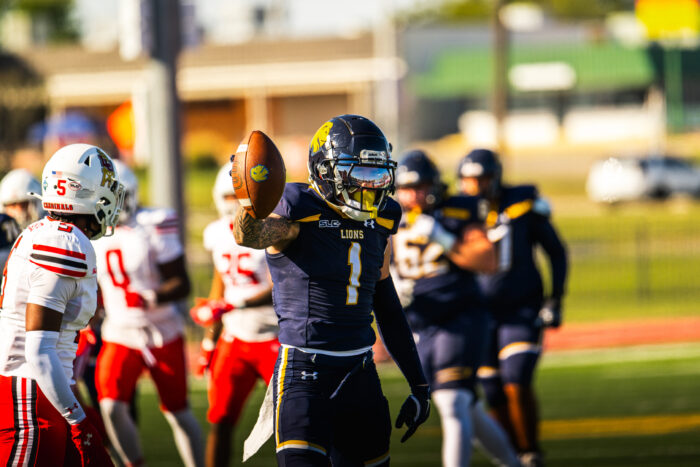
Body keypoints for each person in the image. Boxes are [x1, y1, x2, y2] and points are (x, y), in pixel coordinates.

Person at [234, 115, 430, 466]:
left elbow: (386, 305)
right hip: (304, 372)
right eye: (359, 176)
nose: (369, 189)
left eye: (378, 175)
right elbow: (250, 235)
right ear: (325, 173)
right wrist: (252, 205)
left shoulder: (381, 220)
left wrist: (419, 385)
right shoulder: (298, 212)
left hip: (360, 373)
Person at [392, 150, 520, 467]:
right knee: (467, 408)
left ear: (435, 185)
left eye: (420, 186)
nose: (414, 195)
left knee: (452, 401)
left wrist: (443, 238)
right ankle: (512, 463)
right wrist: (392, 286)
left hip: (459, 318)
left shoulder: (456, 210)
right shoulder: (388, 216)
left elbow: (486, 260)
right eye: (406, 188)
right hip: (419, 324)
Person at [0, 143, 123, 466]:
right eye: (107, 185)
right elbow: (39, 351)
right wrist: (79, 421)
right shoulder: (64, 242)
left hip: (45, 391)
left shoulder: (44, 232)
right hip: (30, 397)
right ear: (84, 190)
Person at [458, 149, 568, 467]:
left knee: (516, 379)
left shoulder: (522, 204)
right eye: (469, 180)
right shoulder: (457, 213)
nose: (475, 187)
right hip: (480, 312)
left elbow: (556, 251)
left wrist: (555, 297)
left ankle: (531, 452)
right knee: (492, 390)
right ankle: (511, 457)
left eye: (481, 179)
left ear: (495, 178)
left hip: (521, 307)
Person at [92, 160, 204, 467]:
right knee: (111, 406)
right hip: (119, 332)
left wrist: (151, 296)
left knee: (178, 411)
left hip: (161, 330)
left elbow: (182, 283)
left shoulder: (154, 222)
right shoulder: (93, 232)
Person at [190, 162, 279, 467]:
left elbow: (280, 287)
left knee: (295, 423)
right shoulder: (216, 233)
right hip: (235, 340)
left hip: (275, 338)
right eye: (228, 196)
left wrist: (236, 304)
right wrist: (208, 343)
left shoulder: (272, 229)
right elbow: (219, 286)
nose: (233, 203)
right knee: (221, 420)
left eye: (238, 196)